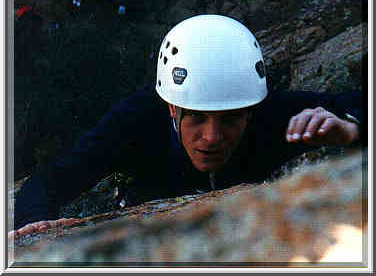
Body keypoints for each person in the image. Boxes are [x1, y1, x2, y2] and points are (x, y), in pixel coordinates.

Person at [13, 15, 365, 232]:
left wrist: (350, 129)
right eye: (197, 118)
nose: (212, 137)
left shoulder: (270, 116)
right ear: (171, 108)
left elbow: (359, 105)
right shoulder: (134, 123)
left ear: (250, 111)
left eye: (230, 120)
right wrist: (35, 225)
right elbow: (49, 181)